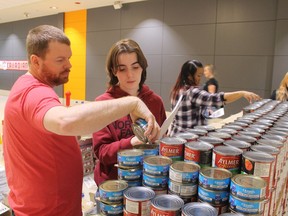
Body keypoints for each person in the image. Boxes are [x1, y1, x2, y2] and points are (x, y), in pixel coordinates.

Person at [3, 25, 160, 216]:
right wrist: (131, 103)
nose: (69, 65)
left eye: (68, 58)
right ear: (36, 61)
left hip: (54, 206)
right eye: (60, 60)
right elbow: (65, 121)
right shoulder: (33, 93)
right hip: (45, 211)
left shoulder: (31, 89)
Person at [92, 39, 166, 186]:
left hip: (149, 180)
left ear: (142, 68)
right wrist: (132, 142)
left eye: (135, 67)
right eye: (122, 69)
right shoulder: (103, 104)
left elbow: (163, 139)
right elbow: (102, 152)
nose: (130, 75)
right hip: (114, 185)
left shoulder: (155, 101)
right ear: (114, 71)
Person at [168, 60, 261, 136]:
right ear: (189, 75)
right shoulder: (192, 92)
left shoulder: (176, 90)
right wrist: (241, 93)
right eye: (198, 75)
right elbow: (215, 99)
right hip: (188, 138)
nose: (200, 78)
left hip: (176, 135)